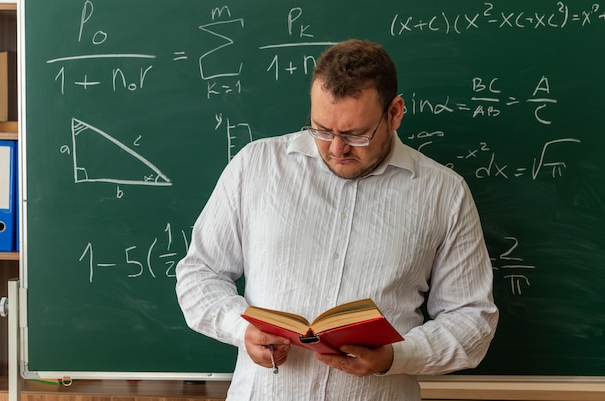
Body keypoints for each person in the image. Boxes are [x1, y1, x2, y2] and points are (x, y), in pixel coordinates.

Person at [176, 39, 498, 401]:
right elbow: (199, 273)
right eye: (322, 129)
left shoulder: (444, 193)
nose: (336, 148)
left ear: (394, 113)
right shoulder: (257, 166)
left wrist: (396, 356)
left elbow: (473, 319)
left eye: (355, 134)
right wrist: (241, 328)